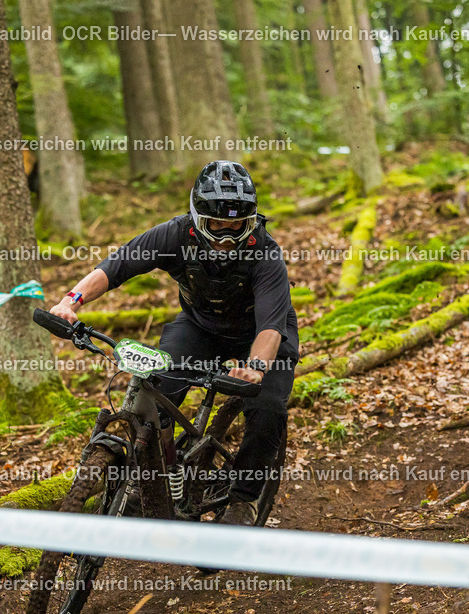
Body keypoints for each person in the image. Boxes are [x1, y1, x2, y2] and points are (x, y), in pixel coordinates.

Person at [49, 160, 298, 526]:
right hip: (200, 327)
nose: (227, 239)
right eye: (217, 227)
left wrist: (258, 366)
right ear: (199, 219)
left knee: (268, 408)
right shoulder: (174, 235)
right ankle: (146, 478)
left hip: (261, 335)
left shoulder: (265, 253)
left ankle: (245, 499)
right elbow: (115, 267)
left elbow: (271, 327)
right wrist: (71, 302)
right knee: (156, 386)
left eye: (237, 228)